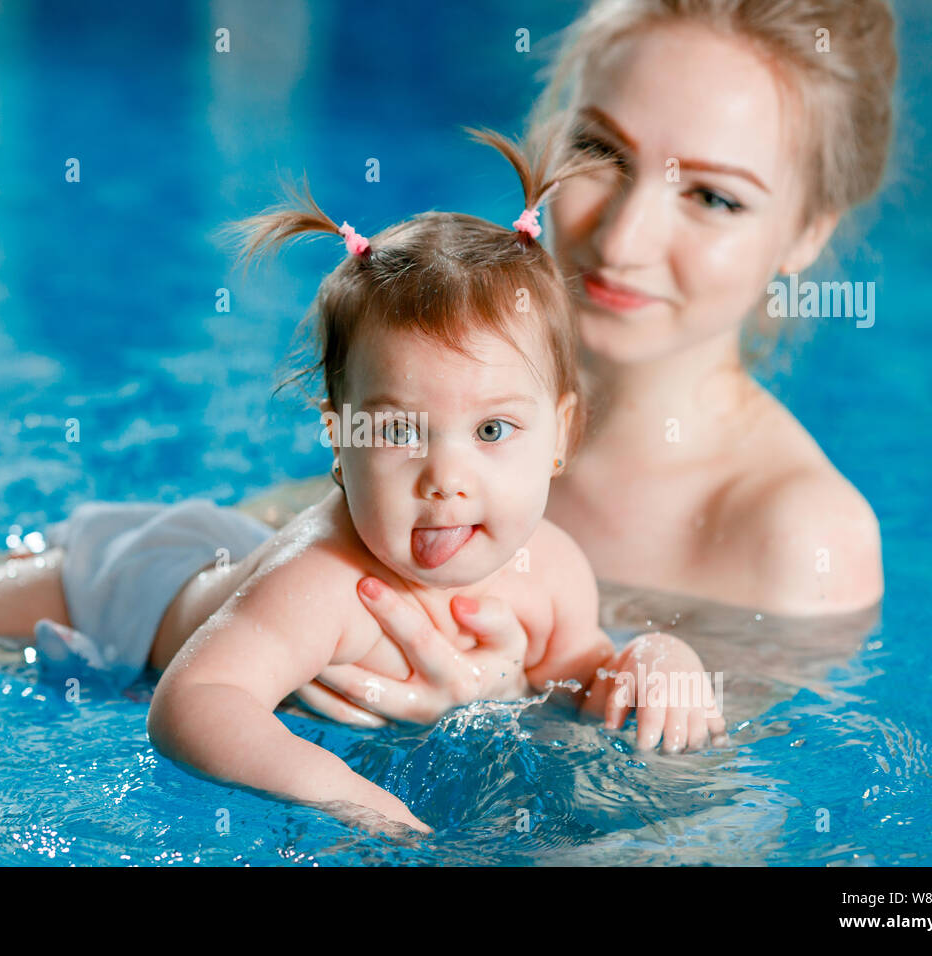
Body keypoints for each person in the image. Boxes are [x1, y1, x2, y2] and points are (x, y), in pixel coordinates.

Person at [241, 0, 897, 728]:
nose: (624, 239)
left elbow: (689, 817)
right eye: (602, 153)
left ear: (807, 232)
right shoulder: (427, 406)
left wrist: (505, 713)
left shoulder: (799, 539)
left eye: (714, 196)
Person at [148, 129, 724, 832]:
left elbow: (581, 680)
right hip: (136, 590)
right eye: (397, 432)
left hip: (233, 553)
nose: (446, 480)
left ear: (561, 436)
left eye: (491, 431)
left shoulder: (551, 569)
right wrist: (348, 795)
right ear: (339, 438)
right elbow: (195, 697)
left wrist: (657, 656)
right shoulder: (319, 583)